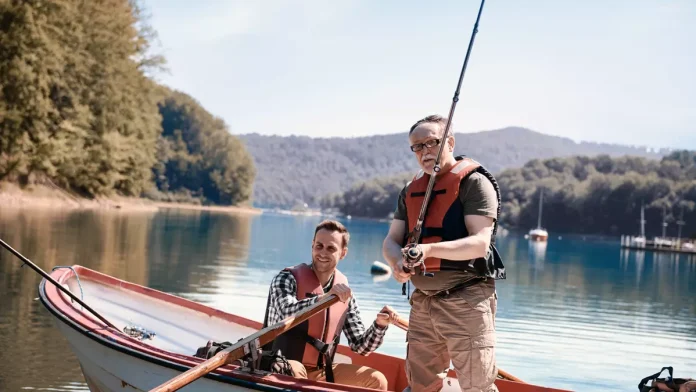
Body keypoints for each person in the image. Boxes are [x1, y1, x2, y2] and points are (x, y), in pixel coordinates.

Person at [382, 114, 506, 392]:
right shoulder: (410, 190)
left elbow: (480, 243)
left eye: (432, 143)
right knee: (420, 387)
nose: (425, 151)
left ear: (449, 142)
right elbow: (391, 240)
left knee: (477, 387)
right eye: (417, 146)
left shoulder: (474, 183)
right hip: (423, 303)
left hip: (466, 300)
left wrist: (427, 250)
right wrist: (396, 262)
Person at [263, 219, 399, 391]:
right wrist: (324, 299)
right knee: (296, 375)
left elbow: (360, 347)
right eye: (319, 246)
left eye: (331, 248)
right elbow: (285, 313)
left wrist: (379, 326)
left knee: (376, 380)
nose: (322, 253)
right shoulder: (286, 279)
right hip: (281, 364)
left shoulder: (344, 292)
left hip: (321, 371)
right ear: (312, 245)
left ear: (343, 253)